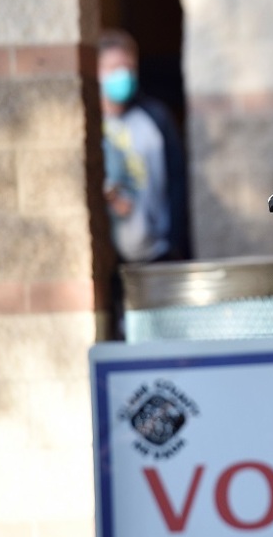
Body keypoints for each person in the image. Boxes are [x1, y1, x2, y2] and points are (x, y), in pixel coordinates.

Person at [98, 29, 191, 339]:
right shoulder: (87, 123)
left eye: (128, 68)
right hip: (107, 262)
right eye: (113, 69)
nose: (122, 76)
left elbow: (177, 180)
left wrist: (175, 240)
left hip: (156, 253)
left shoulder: (155, 117)